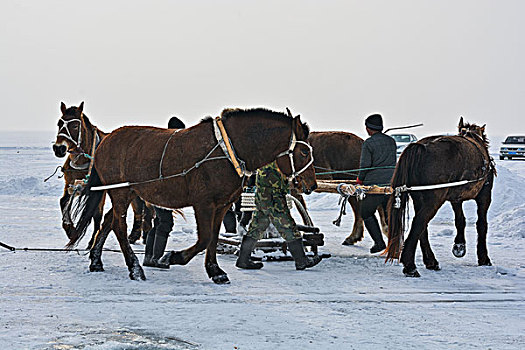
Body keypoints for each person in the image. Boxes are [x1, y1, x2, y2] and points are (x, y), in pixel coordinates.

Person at [235, 161, 322, 270]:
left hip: (262, 196)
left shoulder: (265, 158)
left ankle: (243, 260)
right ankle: (302, 261)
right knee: (289, 227)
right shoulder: (277, 158)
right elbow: (278, 178)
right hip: (274, 197)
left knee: (256, 227)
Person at [143, 116, 185, 268]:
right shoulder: (171, 148)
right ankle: (156, 258)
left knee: (160, 221)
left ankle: (149, 258)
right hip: (161, 191)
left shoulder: (162, 146)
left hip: (153, 190)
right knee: (165, 223)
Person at [356, 113, 397, 254]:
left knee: (366, 212)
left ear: (368, 129)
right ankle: (395, 244)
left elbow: (365, 165)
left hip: (374, 186)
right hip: (391, 184)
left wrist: (359, 180)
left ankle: (379, 242)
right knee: (389, 214)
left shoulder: (368, 143)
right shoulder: (391, 141)